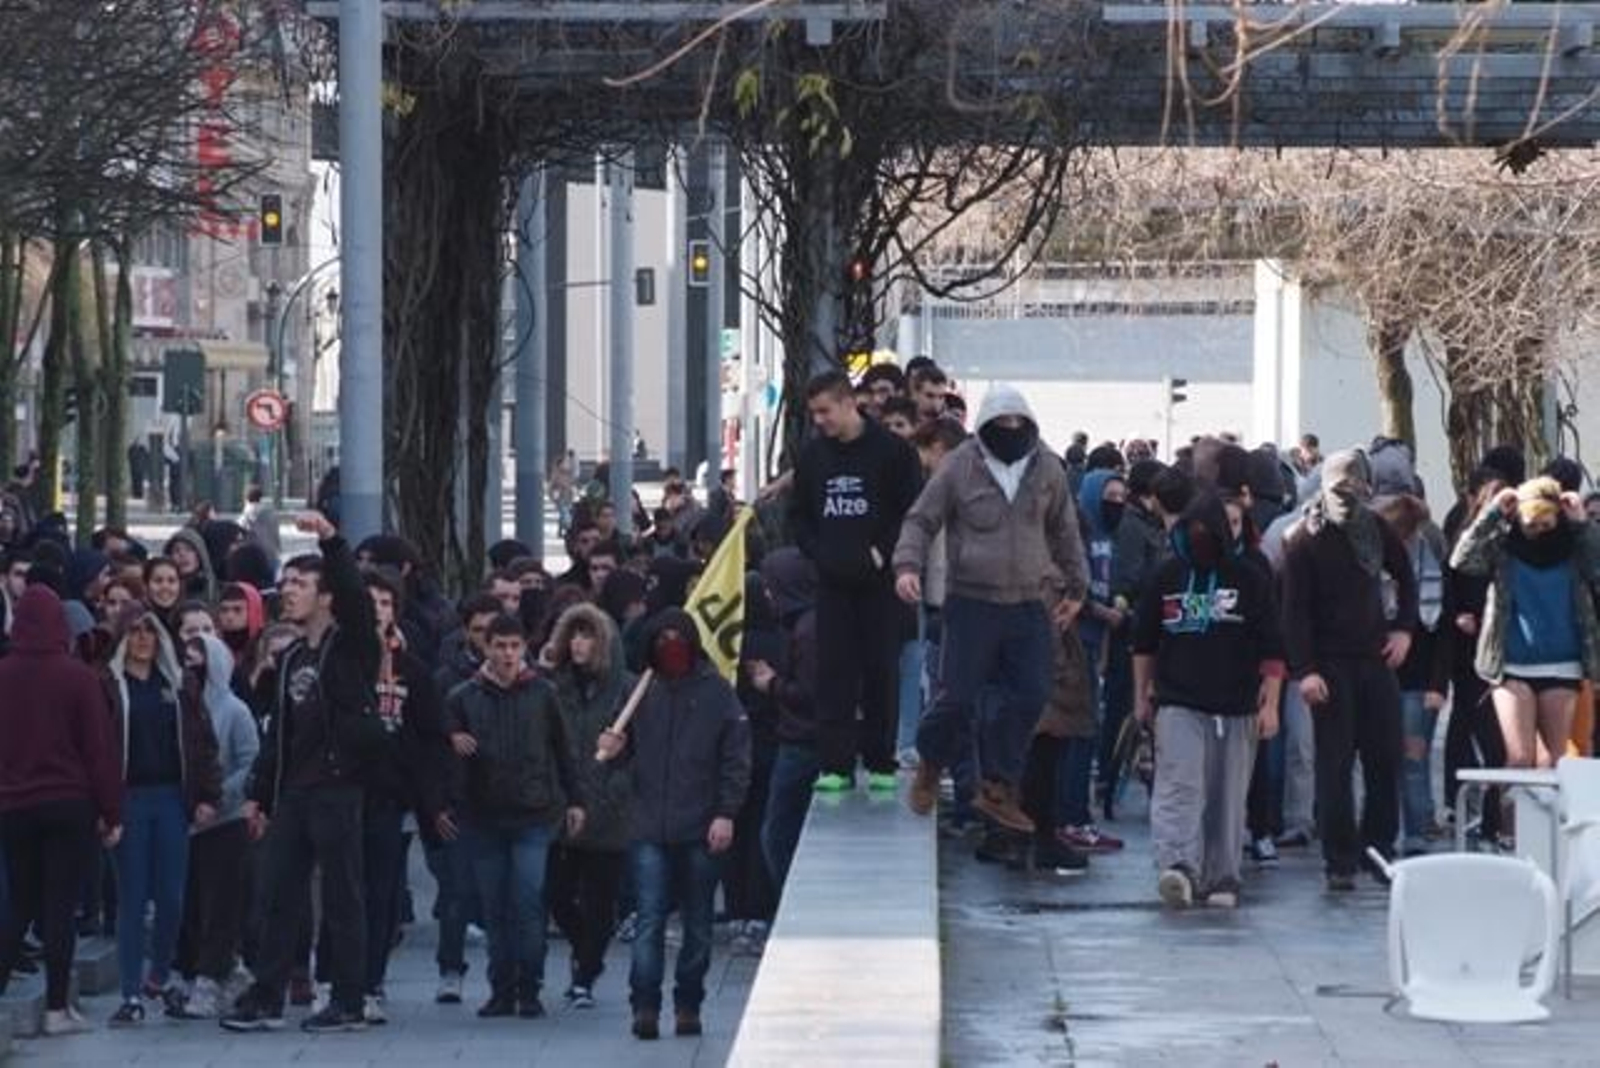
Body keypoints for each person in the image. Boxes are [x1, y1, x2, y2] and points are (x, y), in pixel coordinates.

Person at [894, 384, 1088, 833]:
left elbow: (1064, 529)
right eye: (1001, 425)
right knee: (957, 698)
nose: (1011, 432)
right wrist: (908, 566)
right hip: (972, 601)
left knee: (1033, 694)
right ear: (984, 426)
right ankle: (930, 759)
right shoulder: (961, 466)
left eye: (1018, 424)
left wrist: (1077, 589)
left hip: (1029, 601)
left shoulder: (1047, 468)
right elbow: (921, 519)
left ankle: (998, 786)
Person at [223, 512, 384, 1034]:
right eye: (286, 583)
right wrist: (260, 794)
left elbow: (358, 603)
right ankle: (268, 992)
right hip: (294, 791)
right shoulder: (291, 658)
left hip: (338, 788)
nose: (288, 592)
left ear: (327, 596)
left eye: (300, 584)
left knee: (342, 897)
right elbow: (280, 734)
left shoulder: (351, 647)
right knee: (276, 891)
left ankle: (349, 999)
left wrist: (333, 540)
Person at [596, 609, 751, 1042]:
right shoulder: (637, 691)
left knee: (698, 923)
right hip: (648, 828)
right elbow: (617, 752)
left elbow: (736, 760)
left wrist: (726, 813)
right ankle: (644, 1005)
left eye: (676, 637)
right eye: (661, 638)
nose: (670, 646)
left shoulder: (719, 694)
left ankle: (688, 1004)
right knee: (649, 920)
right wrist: (613, 748)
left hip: (700, 828)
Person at [1134, 493, 1285, 909]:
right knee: (1179, 785)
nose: (1200, 538)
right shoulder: (1166, 576)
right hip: (1178, 701)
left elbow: (1273, 648)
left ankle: (1222, 876)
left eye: (1207, 532)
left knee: (1227, 797)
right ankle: (1178, 866)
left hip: (1236, 706)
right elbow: (1143, 643)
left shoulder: (1251, 577)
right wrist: (1140, 697)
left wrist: (1270, 704)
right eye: (1192, 531)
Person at [1281, 450, 1417, 890]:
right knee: (1334, 766)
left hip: (1375, 658)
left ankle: (1377, 850)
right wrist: (1305, 670)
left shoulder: (1375, 529)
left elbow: (1407, 579)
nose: (1346, 495)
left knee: (1384, 760)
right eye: (1338, 487)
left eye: (1353, 486)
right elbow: (1294, 611)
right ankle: (1339, 858)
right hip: (1330, 663)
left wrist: (1403, 631)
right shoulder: (1303, 537)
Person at [444, 613, 583, 1019]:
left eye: (514, 646)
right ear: (486, 647)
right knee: (494, 906)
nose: (507, 654)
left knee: (527, 900)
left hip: (533, 815)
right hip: (484, 817)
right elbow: (446, 752)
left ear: (524, 648)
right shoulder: (464, 697)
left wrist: (575, 800)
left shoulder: (542, 692)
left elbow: (563, 750)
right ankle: (501, 986)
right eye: (499, 646)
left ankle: (530, 985)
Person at [789, 370, 921, 791]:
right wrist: (819, 552)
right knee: (834, 672)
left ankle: (881, 760)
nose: (820, 421)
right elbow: (800, 516)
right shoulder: (813, 457)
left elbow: (909, 510)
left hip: (878, 583)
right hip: (832, 581)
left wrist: (883, 551)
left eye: (825, 411)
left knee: (881, 668)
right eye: (814, 414)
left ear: (849, 404)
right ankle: (836, 765)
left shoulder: (892, 452)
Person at [0, 586, 122, 1036]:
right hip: (69, 802)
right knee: (60, 905)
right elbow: (99, 750)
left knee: (20, 903)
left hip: (14, 804)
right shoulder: (77, 678)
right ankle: (56, 1008)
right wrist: (112, 812)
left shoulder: (4, 675)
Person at [102, 608, 222, 1025]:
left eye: (149, 632)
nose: (141, 639)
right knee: (133, 899)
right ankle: (132, 992)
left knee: (172, 896)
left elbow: (203, 742)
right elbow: (98, 751)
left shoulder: (179, 684)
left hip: (172, 797)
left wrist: (208, 794)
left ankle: (159, 975)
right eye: (133, 632)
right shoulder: (108, 687)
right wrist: (105, 809)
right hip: (130, 798)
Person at [349, 568, 449, 1024]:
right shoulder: (341, 660)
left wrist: (427, 798)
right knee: (337, 891)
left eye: (386, 603)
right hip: (340, 791)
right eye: (369, 601)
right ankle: (335, 978)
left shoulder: (412, 669)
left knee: (380, 893)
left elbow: (431, 737)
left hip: (388, 799)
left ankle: (370, 981)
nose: (377, 610)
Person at [1450, 476, 1600, 776]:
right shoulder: (1504, 544)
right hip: (1511, 663)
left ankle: (1548, 824)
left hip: (1562, 663)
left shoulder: (1573, 546)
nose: (1537, 532)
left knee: (1554, 762)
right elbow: (1462, 559)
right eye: (1531, 524)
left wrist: (1582, 523)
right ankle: (1511, 825)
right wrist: (1492, 513)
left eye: (1545, 524)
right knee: (1518, 759)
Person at [545, 603, 635, 1010]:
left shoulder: (627, 690)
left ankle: (585, 974)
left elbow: (641, 750)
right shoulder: (553, 687)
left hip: (610, 810)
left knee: (600, 899)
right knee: (556, 893)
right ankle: (587, 950)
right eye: (574, 634)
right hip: (563, 805)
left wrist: (617, 781)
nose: (579, 643)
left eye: (588, 635)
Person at [171, 634, 260, 1019]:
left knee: (221, 907)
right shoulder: (176, 709)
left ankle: (209, 981)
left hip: (226, 822)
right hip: (185, 822)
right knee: (191, 907)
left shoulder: (235, 710)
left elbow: (250, 761)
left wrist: (219, 797)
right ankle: (227, 972)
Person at [1373, 493, 1450, 855]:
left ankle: (1417, 833)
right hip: (1383, 677)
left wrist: (1438, 685)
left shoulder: (1428, 569)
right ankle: (1394, 831)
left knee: (1413, 759)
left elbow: (1440, 633)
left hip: (1419, 681)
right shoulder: (1376, 570)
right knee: (1388, 760)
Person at [751, 549, 820, 890]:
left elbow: (810, 693)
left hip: (802, 744)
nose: (766, 595)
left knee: (777, 835)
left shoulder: (808, 630)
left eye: (769, 587)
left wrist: (771, 684)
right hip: (802, 741)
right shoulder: (806, 625)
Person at [240, 486, 281, 571]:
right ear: (260, 498)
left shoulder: (246, 515)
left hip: (254, 559)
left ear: (246, 498)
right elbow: (276, 536)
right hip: (271, 556)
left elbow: (240, 537)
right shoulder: (271, 514)